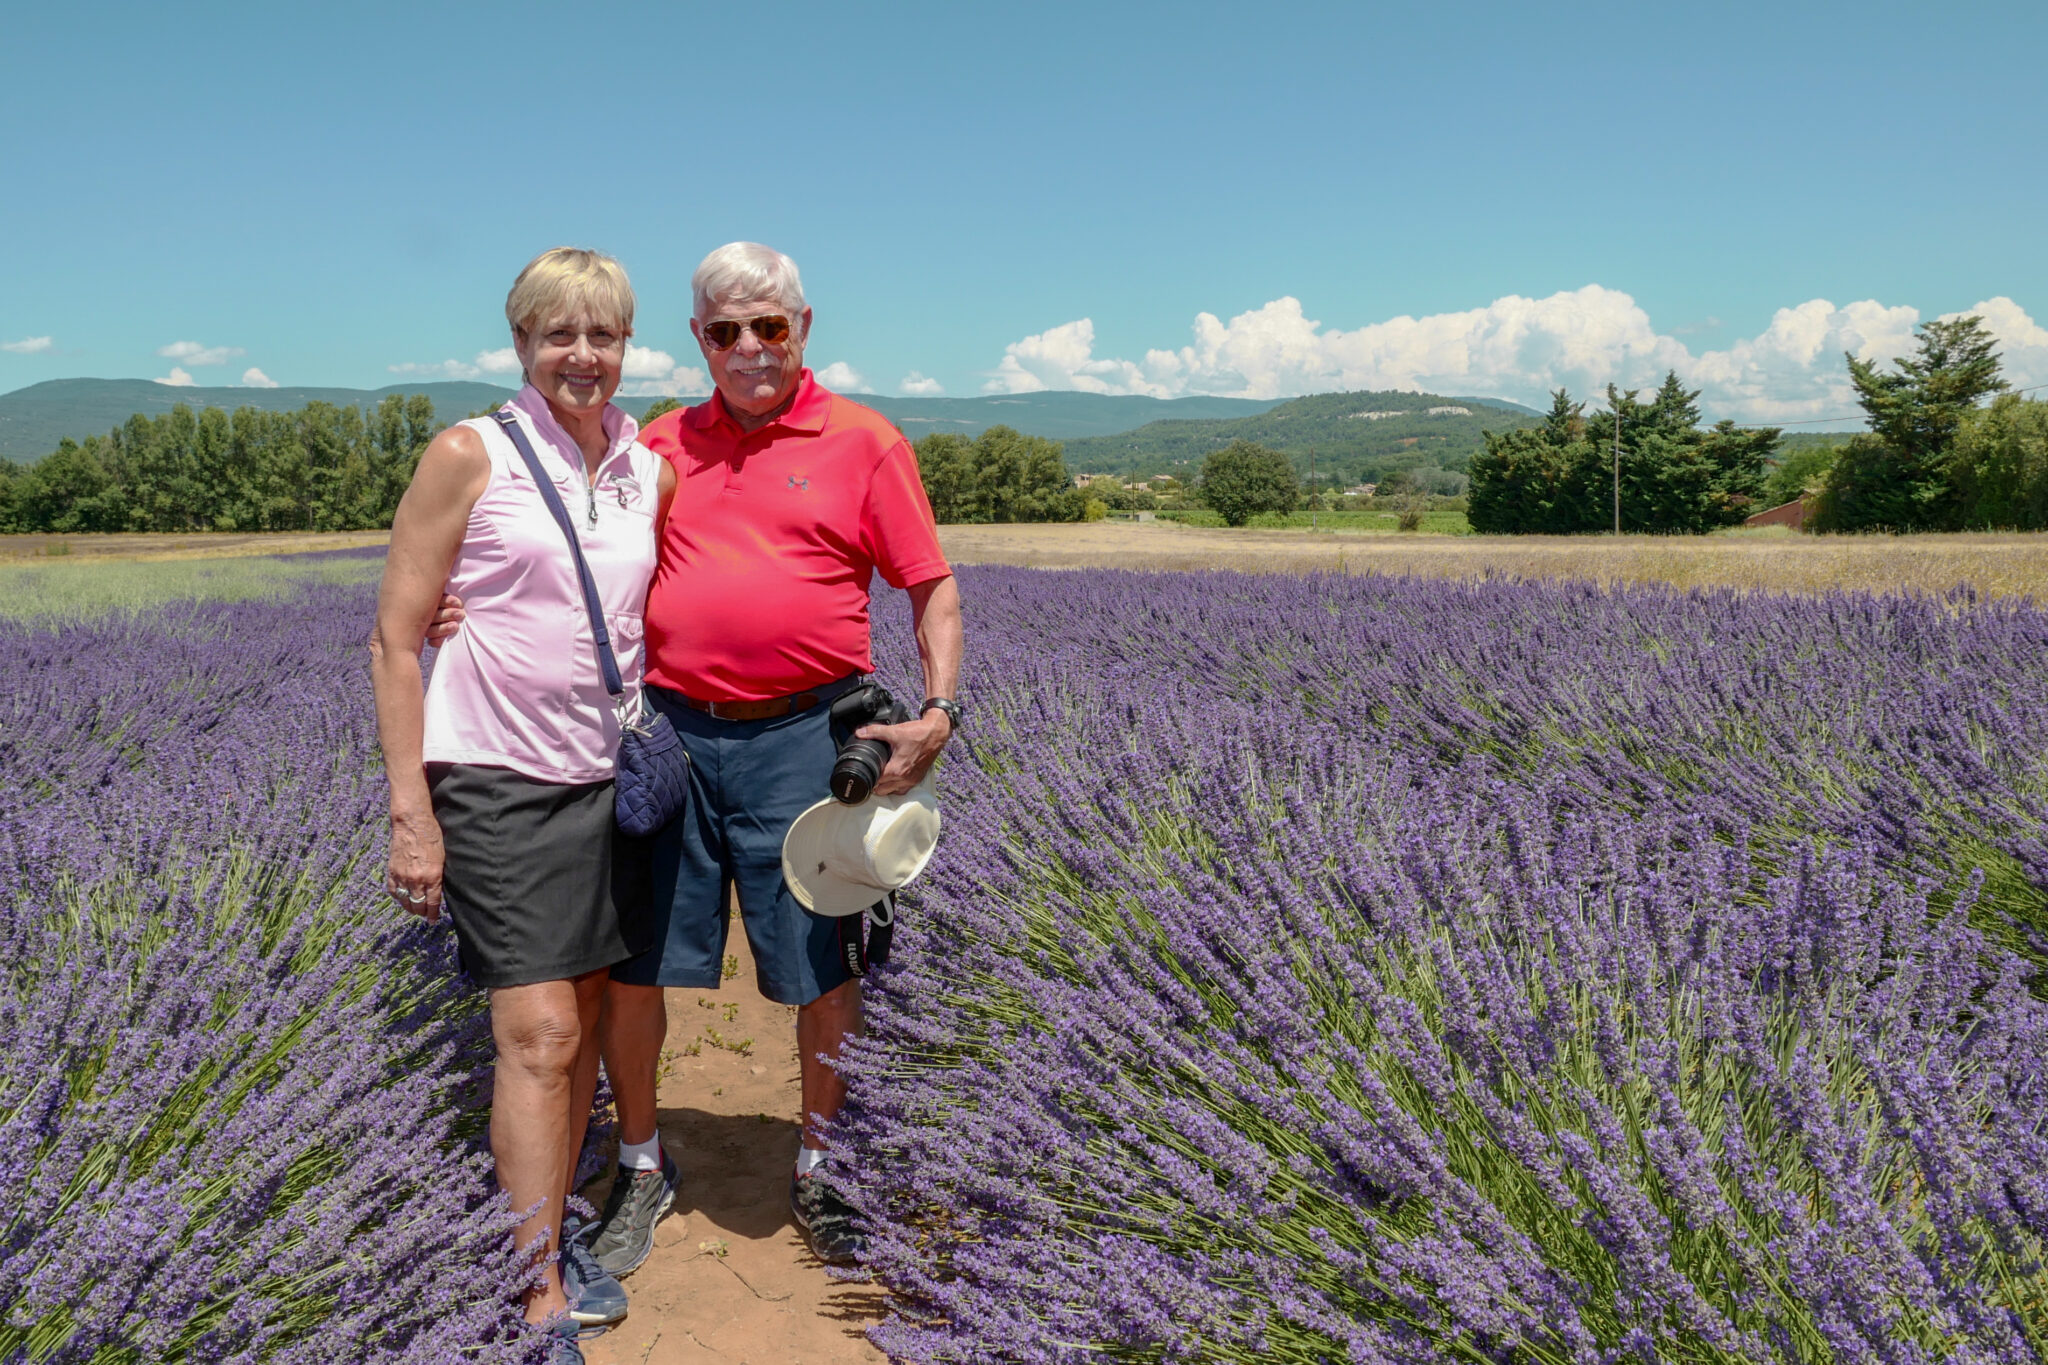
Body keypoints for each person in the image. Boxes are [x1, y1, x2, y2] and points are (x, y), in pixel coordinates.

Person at [586, 241, 963, 1273]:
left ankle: (821, 1166)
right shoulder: (655, 443)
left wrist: (935, 711)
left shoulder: (863, 441)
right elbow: (567, 551)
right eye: (724, 330)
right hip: (667, 733)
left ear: (803, 327)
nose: (748, 348)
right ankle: (642, 1165)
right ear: (698, 339)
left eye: (769, 326)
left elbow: (928, 585)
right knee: (633, 963)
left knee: (822, 964)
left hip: (808, 736)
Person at [369, 247, 674, 1362]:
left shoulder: (649, 464)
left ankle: (554, 1226)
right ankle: (534, 1288)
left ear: (627, 346)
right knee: (538, 1030)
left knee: (587, 1012)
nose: (582, 356)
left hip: (611, 776)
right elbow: (396, 638)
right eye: (560, 334)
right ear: (521, 344)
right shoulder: (467, 453)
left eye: (603, 335)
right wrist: (414, 812)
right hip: (495, 777)